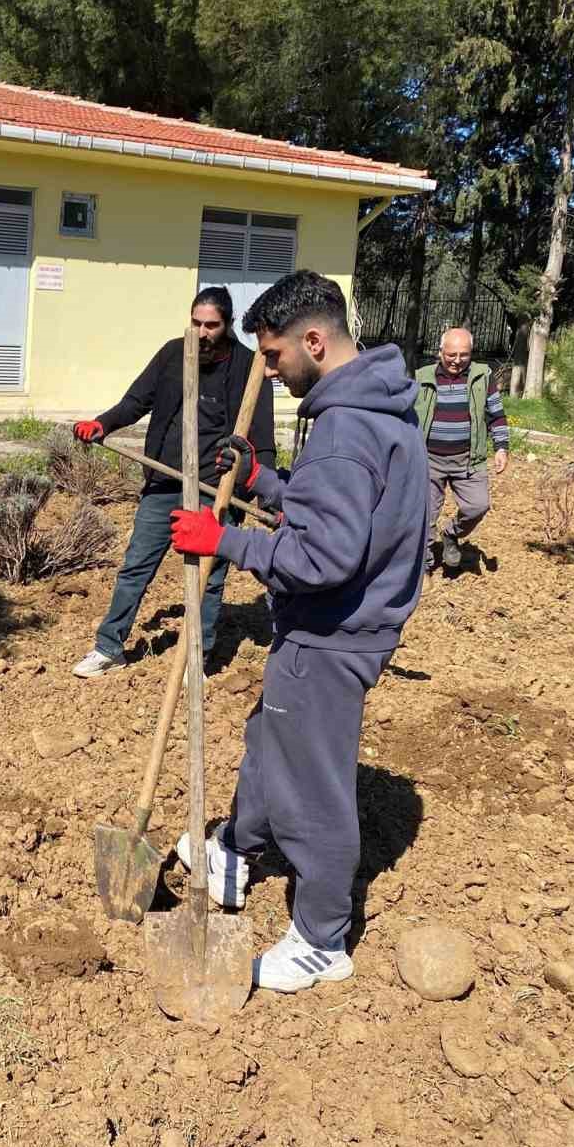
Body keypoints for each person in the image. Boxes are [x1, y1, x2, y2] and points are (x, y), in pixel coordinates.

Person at [168, 270, 427, 994]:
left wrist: (224, 543)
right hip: (344, 627)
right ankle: (238, 848)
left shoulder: (344, 430)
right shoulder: (379, 411)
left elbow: (322, 556)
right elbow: (342, 515)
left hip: (331, 633)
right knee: (270, 739)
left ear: (315, 340)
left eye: (276, 355)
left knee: (313, 786)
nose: (270, 371)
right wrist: (262, 482)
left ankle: (321, 937)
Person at [69, 286, 276, 678]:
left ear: (228, 326)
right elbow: (135, 402)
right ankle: (108, 648)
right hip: (164, 484)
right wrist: (103, 423)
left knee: (207, 580)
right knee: (135, 567)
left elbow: (261, 444)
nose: (201, 333)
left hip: (214, 492)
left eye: (211, 325)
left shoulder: (249, 371)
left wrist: (267, 497)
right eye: (195, 323)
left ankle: (196, 660)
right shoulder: (172, 355)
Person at [414, 327, 509, 570]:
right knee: (424, 516)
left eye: (464, 355)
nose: (457, 361)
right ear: (440, 352)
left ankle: (451, 533)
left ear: (471, 354)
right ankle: (423, 568)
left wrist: (501, 448)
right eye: (451, 355)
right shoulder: (421, 377)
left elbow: (497, 415)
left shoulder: (482, 376)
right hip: (428, 459)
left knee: (478, 505)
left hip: (469, 459)